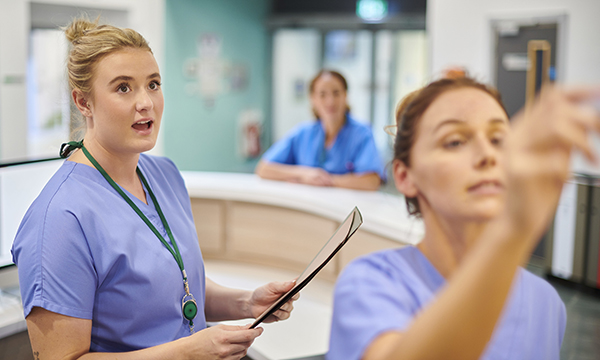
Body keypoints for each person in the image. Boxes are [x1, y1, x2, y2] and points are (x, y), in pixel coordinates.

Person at [11, 17, 298, 359]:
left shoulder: (164, 175)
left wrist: (247, 302)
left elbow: (176, 291)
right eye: (123, 87)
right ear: (83, 103)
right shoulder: (58, 220)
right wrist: (188, 352)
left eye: (153, 84)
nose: (146, 102)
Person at [328, 77, 600, 360]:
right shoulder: (368, 285)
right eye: (455, 142)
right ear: (405, 176)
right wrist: (513, 228)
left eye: (499, 140)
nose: (487, 155)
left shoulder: (545, 304)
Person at [255, 70, 385, 191]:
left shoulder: (362, 134)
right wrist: (304, 174)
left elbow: (371, 181)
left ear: (345, 96)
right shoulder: (303, 133)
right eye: (322, 94)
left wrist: (325, 180)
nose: (330, 101)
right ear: (313, 99)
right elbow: (264, 168)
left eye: (336, 93)